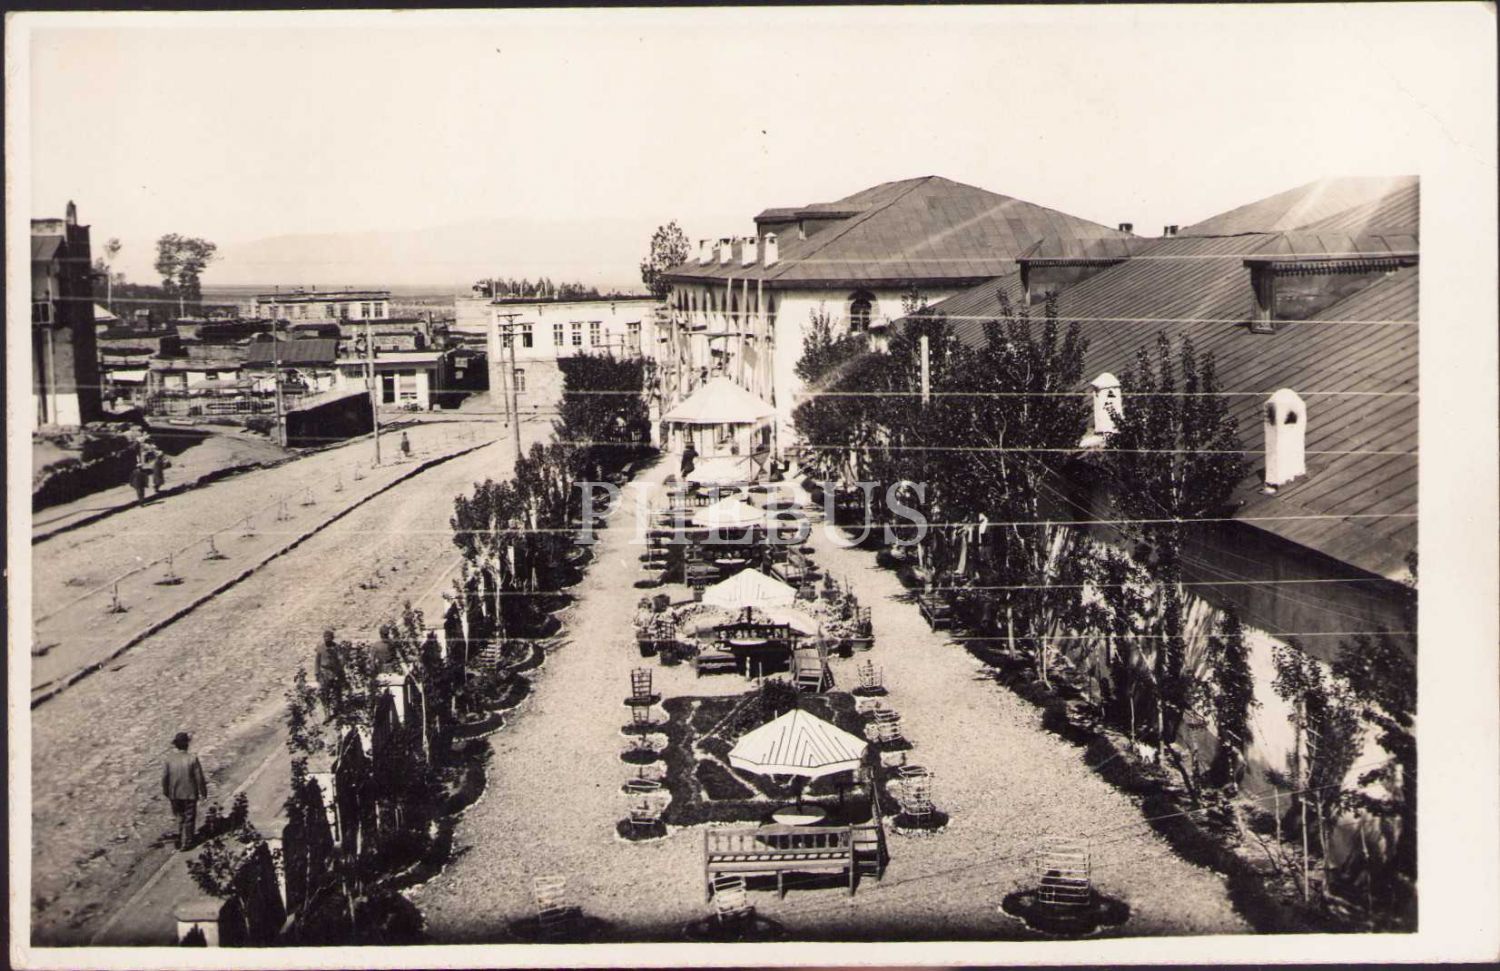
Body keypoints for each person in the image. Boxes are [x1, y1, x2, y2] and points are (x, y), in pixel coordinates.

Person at [162, 732, 208, 851]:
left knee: (179, 816)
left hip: (174, 793)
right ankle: (187, 842)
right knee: (189, 818)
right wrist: (203, 792)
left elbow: (165, 778)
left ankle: (179, 839)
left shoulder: (169, 759)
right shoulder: (192, 758)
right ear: (187, 744)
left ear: (176, 745)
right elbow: (199, 777)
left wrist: (166, 791)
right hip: (189, 793)